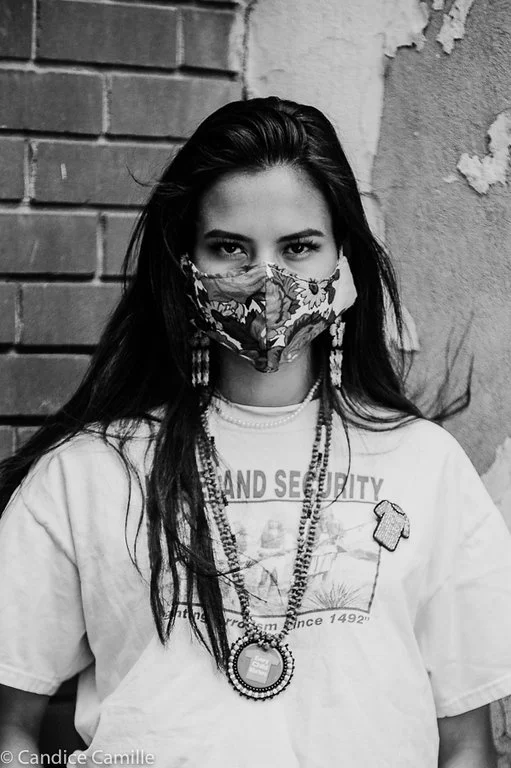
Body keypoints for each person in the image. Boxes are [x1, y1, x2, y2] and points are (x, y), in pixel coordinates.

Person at [0, 96, 510, 768]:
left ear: (344, 264)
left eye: (298, 248)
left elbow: (466, 744)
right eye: (229, 248)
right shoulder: (90, 469)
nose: (267, 281)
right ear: (185, 268)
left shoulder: (425, 465)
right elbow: (10, 726)